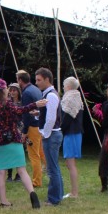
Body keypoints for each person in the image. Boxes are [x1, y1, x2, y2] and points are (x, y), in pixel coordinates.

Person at [0, 78, 46, 209]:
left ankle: (4, 201)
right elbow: (20, 111)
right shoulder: (9, 104)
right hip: (14, 140)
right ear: (5, 90)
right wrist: (35, 104)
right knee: (22, 170)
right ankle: (32, 194)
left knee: (1, 172)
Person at [35, 67, 64, 205]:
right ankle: (57, 195)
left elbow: (51, 118)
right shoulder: (48, 94)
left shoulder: (50, 95)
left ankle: (54, 199)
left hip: (52, 134)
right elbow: (48, 115)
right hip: (52, 134)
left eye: (39, 80)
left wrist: (45, 134)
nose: (37, 83)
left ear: (47, 79)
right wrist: (38, 114)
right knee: (54, 167)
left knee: (52, 169)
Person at [16, 70, 46, 188]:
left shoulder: (27, 93)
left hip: (32, 127)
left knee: (34, 155)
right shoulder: (36, 89)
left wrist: (24, 131)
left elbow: (26, 113)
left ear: (20, 80)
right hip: (39, 125)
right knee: (40, 152)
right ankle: (52, 173)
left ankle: (36, 181)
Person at [60, 76, 83, 199]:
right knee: (70, 164)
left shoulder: (70, 98)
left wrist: (60, 129)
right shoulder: (76, 96)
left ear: (68, 86)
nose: (63, 87)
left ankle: (74, 193)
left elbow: (67, 118)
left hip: (72, 133)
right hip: (74, 133)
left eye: (64, 85)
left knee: (71, 163)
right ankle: (74, 191)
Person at [6, 82, 23, 182]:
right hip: (10, 128)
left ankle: (18, 174)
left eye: (14, 90)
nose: (12, 92)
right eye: (11, 90)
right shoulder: (8, 102)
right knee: (9, 151)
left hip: (20, 127)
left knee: (18, 152)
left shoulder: (22, 102)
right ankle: (9, 175)